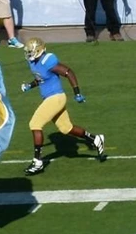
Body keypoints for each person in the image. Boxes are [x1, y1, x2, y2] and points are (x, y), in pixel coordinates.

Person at [20, 38, 106, 176]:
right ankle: (95, 139)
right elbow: (41, 78)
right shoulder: (34, 62)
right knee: (66, 128)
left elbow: (68, 72)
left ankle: (37, 162)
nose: (29, 54)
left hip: (56, 98)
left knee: (35, 124)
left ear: (39, 50)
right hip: (51, 98)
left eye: (31, 51)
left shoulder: (48, 61)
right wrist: (30, 85)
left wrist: (77, 93)